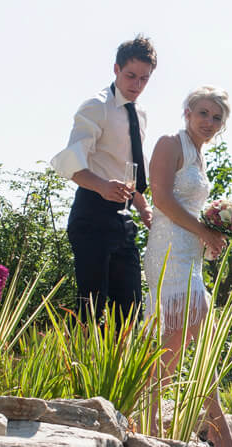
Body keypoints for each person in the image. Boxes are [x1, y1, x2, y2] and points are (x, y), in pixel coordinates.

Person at [144, 86, 232, 447]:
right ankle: (220, 430)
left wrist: (211, 237)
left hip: (190, 256)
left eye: (217, 118)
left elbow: (191, 208)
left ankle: (210, 428)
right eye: (203, 113)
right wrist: (203, 230)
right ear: (187, 112)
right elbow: (161, 199)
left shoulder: (200, 155)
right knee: (188, 333)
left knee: (196, 339)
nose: (209, 122)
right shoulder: (170, 143)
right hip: (167, 252)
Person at [51, 35, 156, 321]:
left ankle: (120, 367)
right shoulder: (95, 107)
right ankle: (79, 365)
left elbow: (130, 170)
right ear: (116, 70)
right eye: (131, 76)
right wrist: (101, 186)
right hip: (92, 214)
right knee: (91, 311)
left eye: (144, 79)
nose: (136, 85)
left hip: (123, 218)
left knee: (131, 312)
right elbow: (71, 163)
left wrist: (143, 207)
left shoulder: (141, 114)